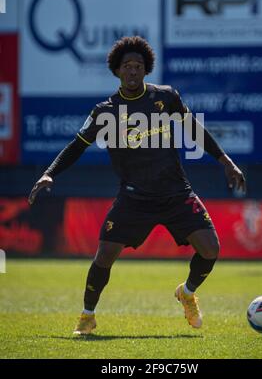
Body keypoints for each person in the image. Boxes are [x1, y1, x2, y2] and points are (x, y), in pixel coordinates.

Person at [28, 36, 246, 335]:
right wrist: (50, 172)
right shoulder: (105, 111)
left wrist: (225, 160)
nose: (132, 71)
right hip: (134, 199)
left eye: (138, 66)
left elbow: (194, 129)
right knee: (104, 254)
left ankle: (187, 292)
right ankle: (87, 315)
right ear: (117, 70)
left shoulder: (166, 97)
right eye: (127, 66)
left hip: (176, 193)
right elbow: (76, 146)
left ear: (147, 70)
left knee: (211, 249)